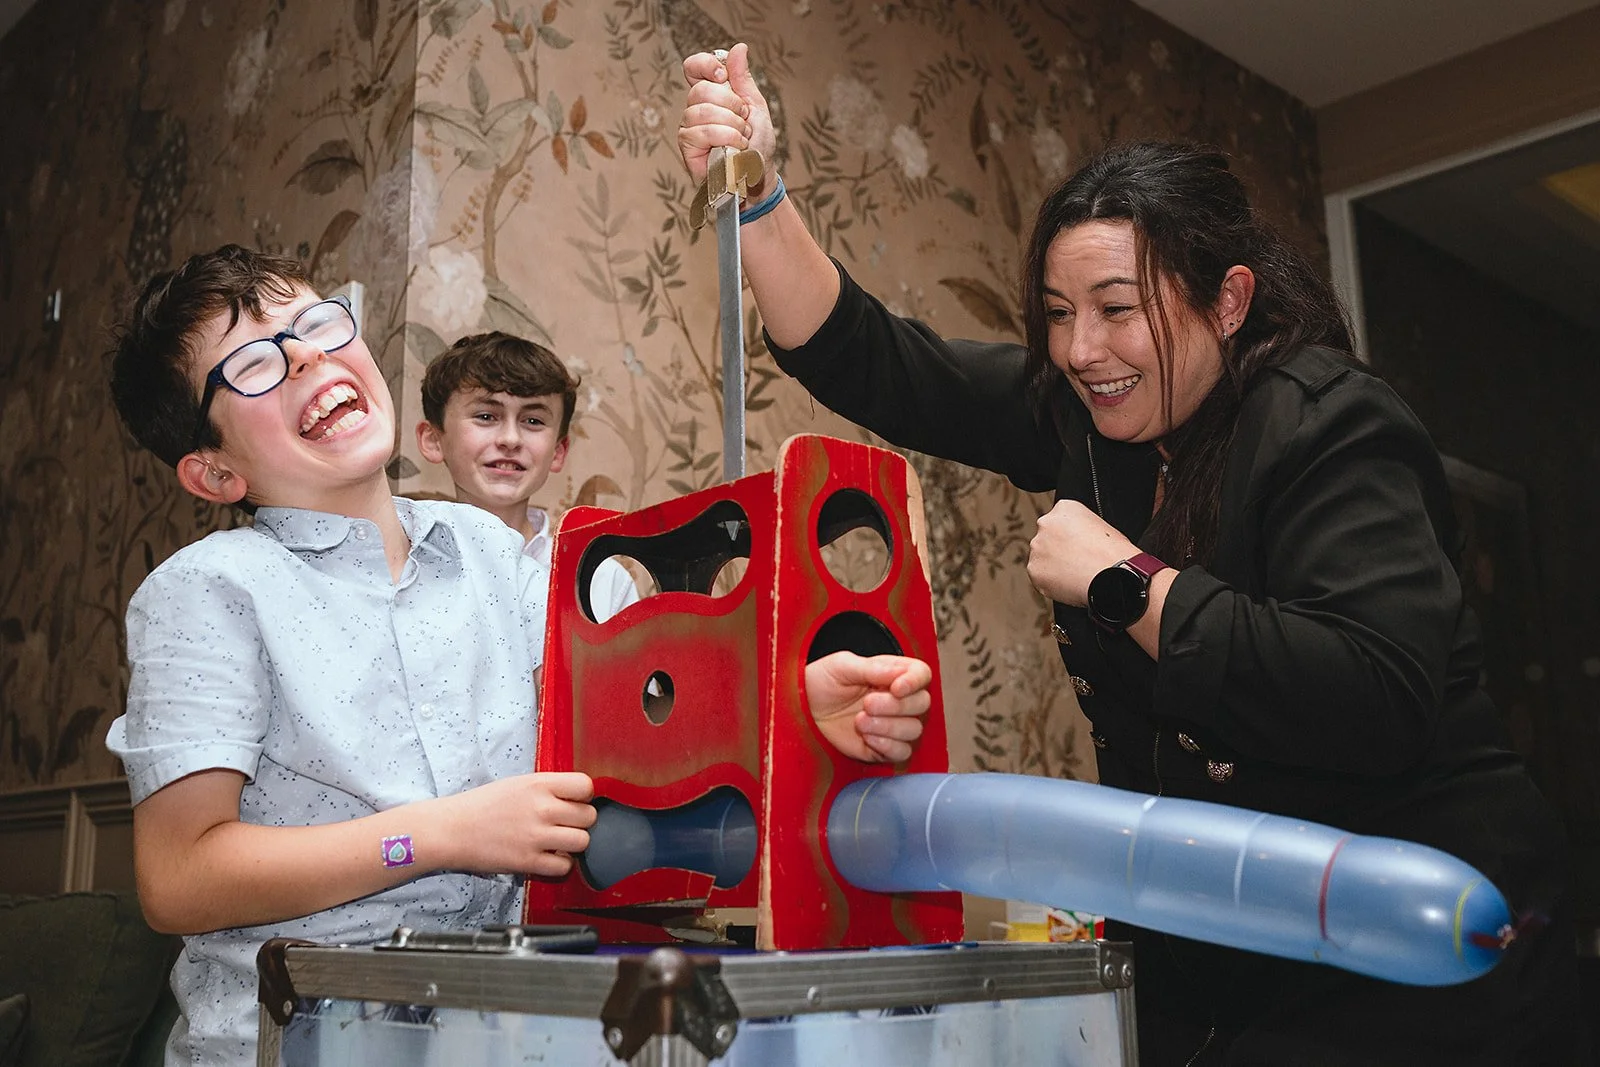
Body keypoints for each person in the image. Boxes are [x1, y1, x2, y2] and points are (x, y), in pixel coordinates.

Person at [678, 45, 1583, 1065]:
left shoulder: (1329, 425)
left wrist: (1126, 583)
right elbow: (877, 360)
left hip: (1420, 943)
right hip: (1219, 933)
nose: (1080, 350)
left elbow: (1374, 695)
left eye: (1117, 309)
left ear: (1227, 301)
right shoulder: (1077, 417)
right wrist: (754, 188)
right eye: (1061, 315)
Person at [103, 244, 935, 1064]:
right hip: (296, 1035)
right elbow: (179, 875)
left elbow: (641, 730)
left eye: (315, 323)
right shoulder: (209, 590)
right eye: (252, 363)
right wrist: (438, 834)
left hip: (500, 1026)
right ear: (212, 472)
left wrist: (794, 706)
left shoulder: (495, 556)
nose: (306, 357)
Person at [415, 331, 640, 623]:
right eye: (486, 416)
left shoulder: (602, 583)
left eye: (533, 421)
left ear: (558, 452)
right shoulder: (402, 563)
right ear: (434, 440)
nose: (510, 439)